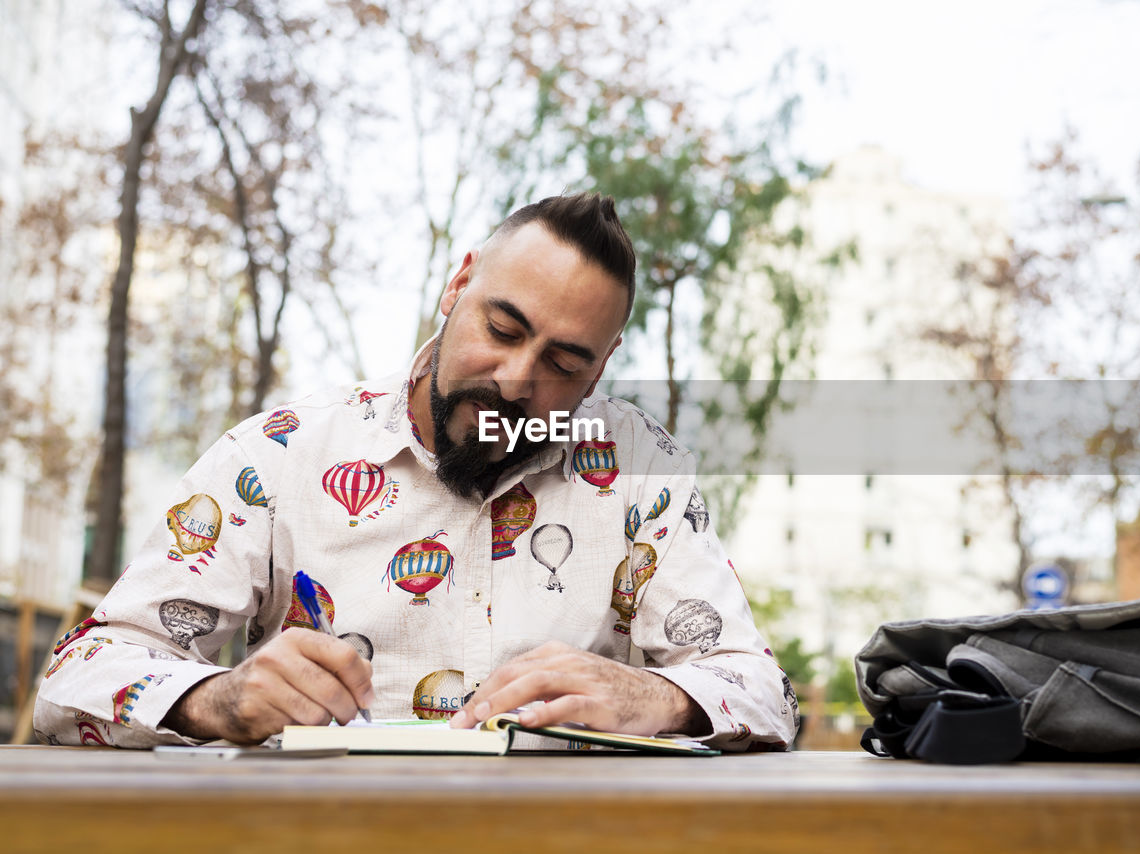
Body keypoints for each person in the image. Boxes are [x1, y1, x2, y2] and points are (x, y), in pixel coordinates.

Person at [34, 193, 798, 751]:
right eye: (501, 329)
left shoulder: (639, 468)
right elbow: (75, 680)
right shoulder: (282, 453)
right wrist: (216, 699)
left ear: (600, 373)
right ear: (456, 285)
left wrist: (656, 696)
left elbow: (765, 694)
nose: (513, 382)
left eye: (564, 364)